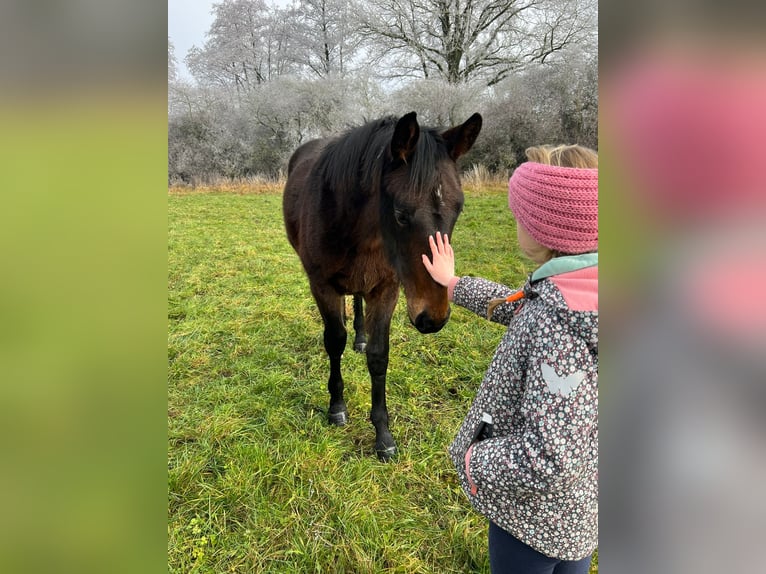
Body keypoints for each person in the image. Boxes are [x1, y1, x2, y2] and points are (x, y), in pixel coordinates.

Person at [422, 144, 598, 573]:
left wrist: (473, 458)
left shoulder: (559, 325)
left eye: (519, 215)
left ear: (546, 227)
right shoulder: (586, 291)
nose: (515, 222)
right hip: (583, 510)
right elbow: (526, 306)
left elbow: (549, 457)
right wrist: (454, 283)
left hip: (533, 520)